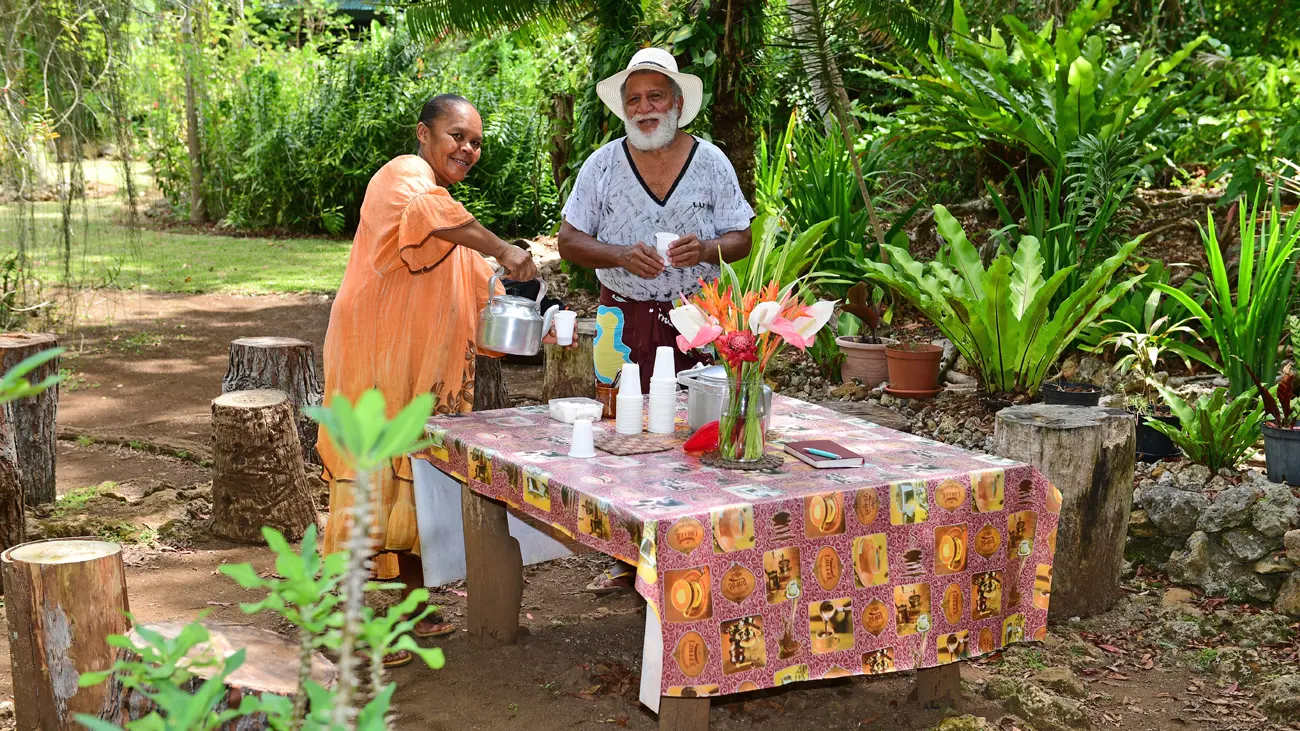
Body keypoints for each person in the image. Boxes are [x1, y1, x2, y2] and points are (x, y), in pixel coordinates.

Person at [320, 94, 540, 667]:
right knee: (368, 481)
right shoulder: (406, 178)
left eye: (476, 142)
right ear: (424, 134)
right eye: (457, 136)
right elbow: (435, 216)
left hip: (414, 377)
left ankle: (408, 607)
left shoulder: (450, 224)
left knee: (410, 480)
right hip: (371, 362)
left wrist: (537, 300)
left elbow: (482, 296)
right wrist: (502, 247)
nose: (467, 148)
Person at [558, 48, 756, 593]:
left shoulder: (711, 162)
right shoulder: (602, 165)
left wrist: (708, 248)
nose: (645, 108)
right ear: (624, 110)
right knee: (620, 427)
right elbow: (569, 241)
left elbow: (742, 236)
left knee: (694, 431)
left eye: (655, 97)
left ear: (677, 103)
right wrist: (619, 254)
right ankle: (627, 560)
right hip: (620, 317)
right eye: (634, 100)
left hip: (697, 317)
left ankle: (694, 554)